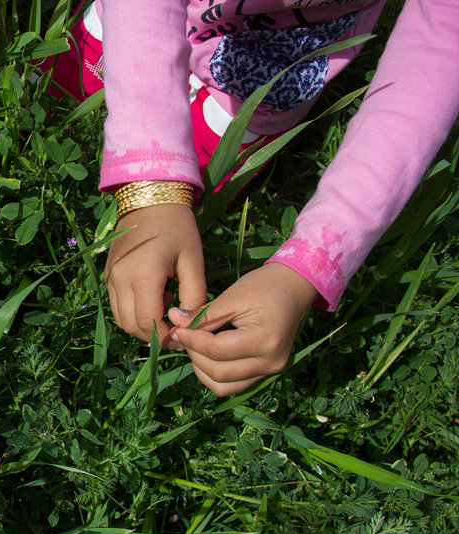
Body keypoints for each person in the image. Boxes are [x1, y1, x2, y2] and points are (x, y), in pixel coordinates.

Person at [45, 0, 459, 396]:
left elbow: (437, 52)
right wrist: (153, 183)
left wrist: (304, 270)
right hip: (135, 26)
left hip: (258, 87)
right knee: (46, 127)